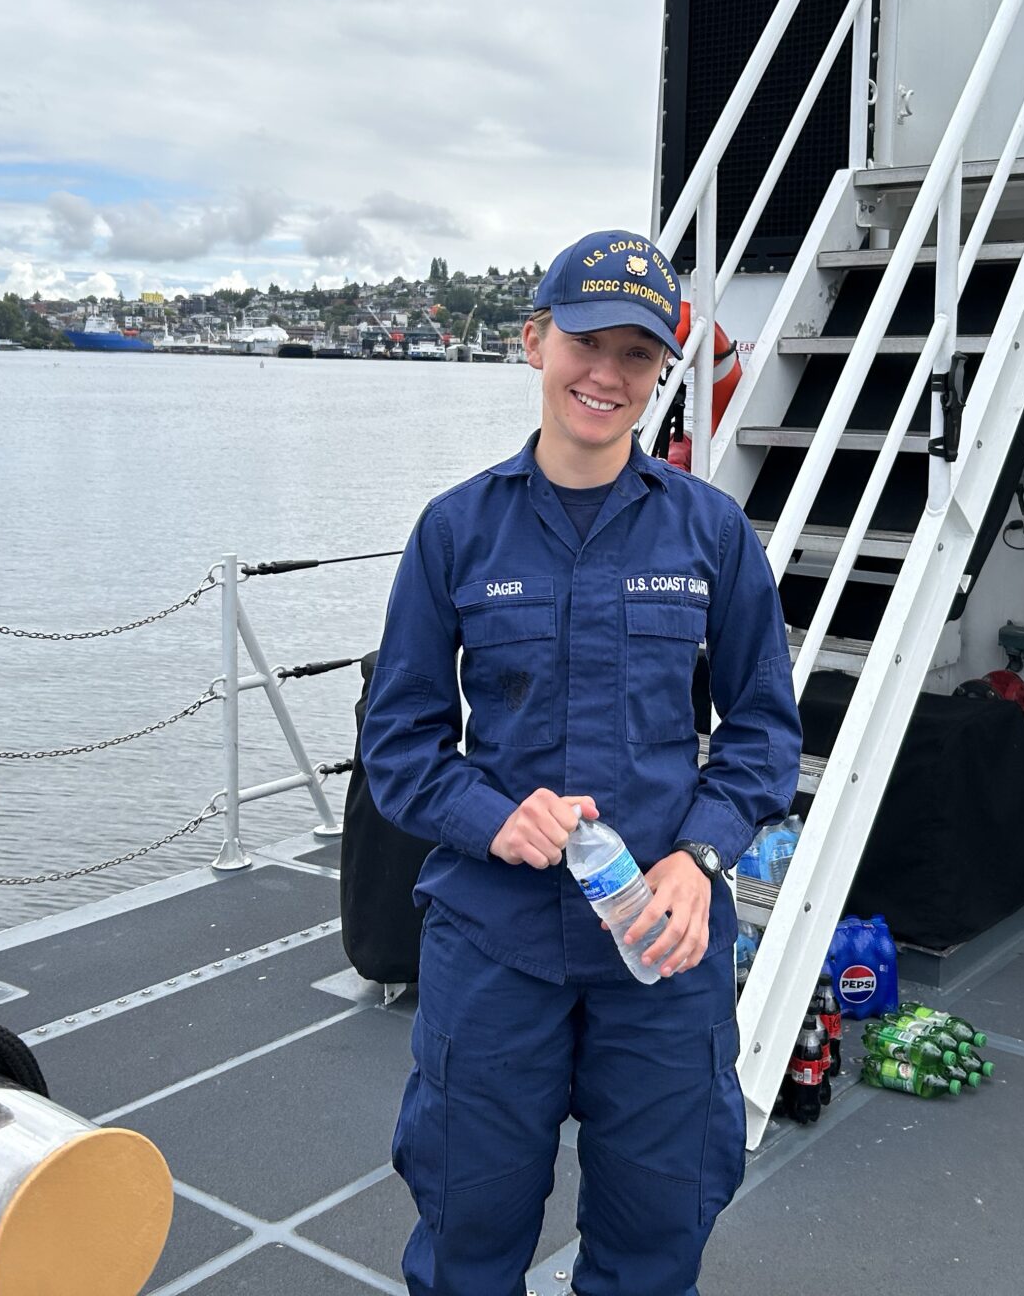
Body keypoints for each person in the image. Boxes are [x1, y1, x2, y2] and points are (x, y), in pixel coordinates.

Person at [361, 230, 801, 1296]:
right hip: (493, 942)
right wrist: (491, 817)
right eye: (584, 342)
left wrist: (700, 858)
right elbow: (399, 741)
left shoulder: (711, 534)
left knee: (657, 1236)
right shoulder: (455, 531)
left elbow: (762, 732)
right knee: (466, 1234)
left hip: (658, 947)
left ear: (661, 374)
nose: (606, 374)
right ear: (533, 343)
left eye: (636, 354)